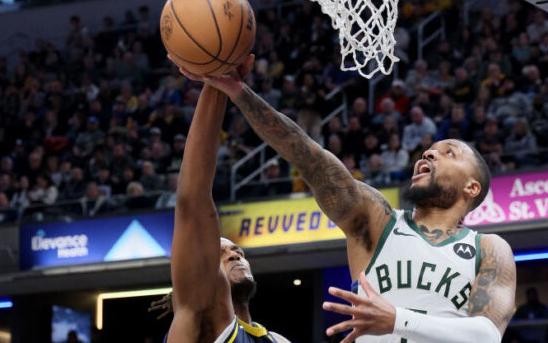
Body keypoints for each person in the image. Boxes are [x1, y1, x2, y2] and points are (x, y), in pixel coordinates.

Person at [171, 54, 515, 343]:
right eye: (429, 150)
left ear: (472, 187)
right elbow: (308, 155)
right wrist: (238, 92)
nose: (429, 153)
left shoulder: (489, 249)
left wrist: (397, 318)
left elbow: (487, 335)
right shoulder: (378, 221)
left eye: (448, 152)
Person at [162, 58, 289, 343]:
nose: (235, 255)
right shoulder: (195, 323)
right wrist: (216, 83)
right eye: (221, 254)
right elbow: (192, 201)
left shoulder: (277, 341)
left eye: (238, 252)